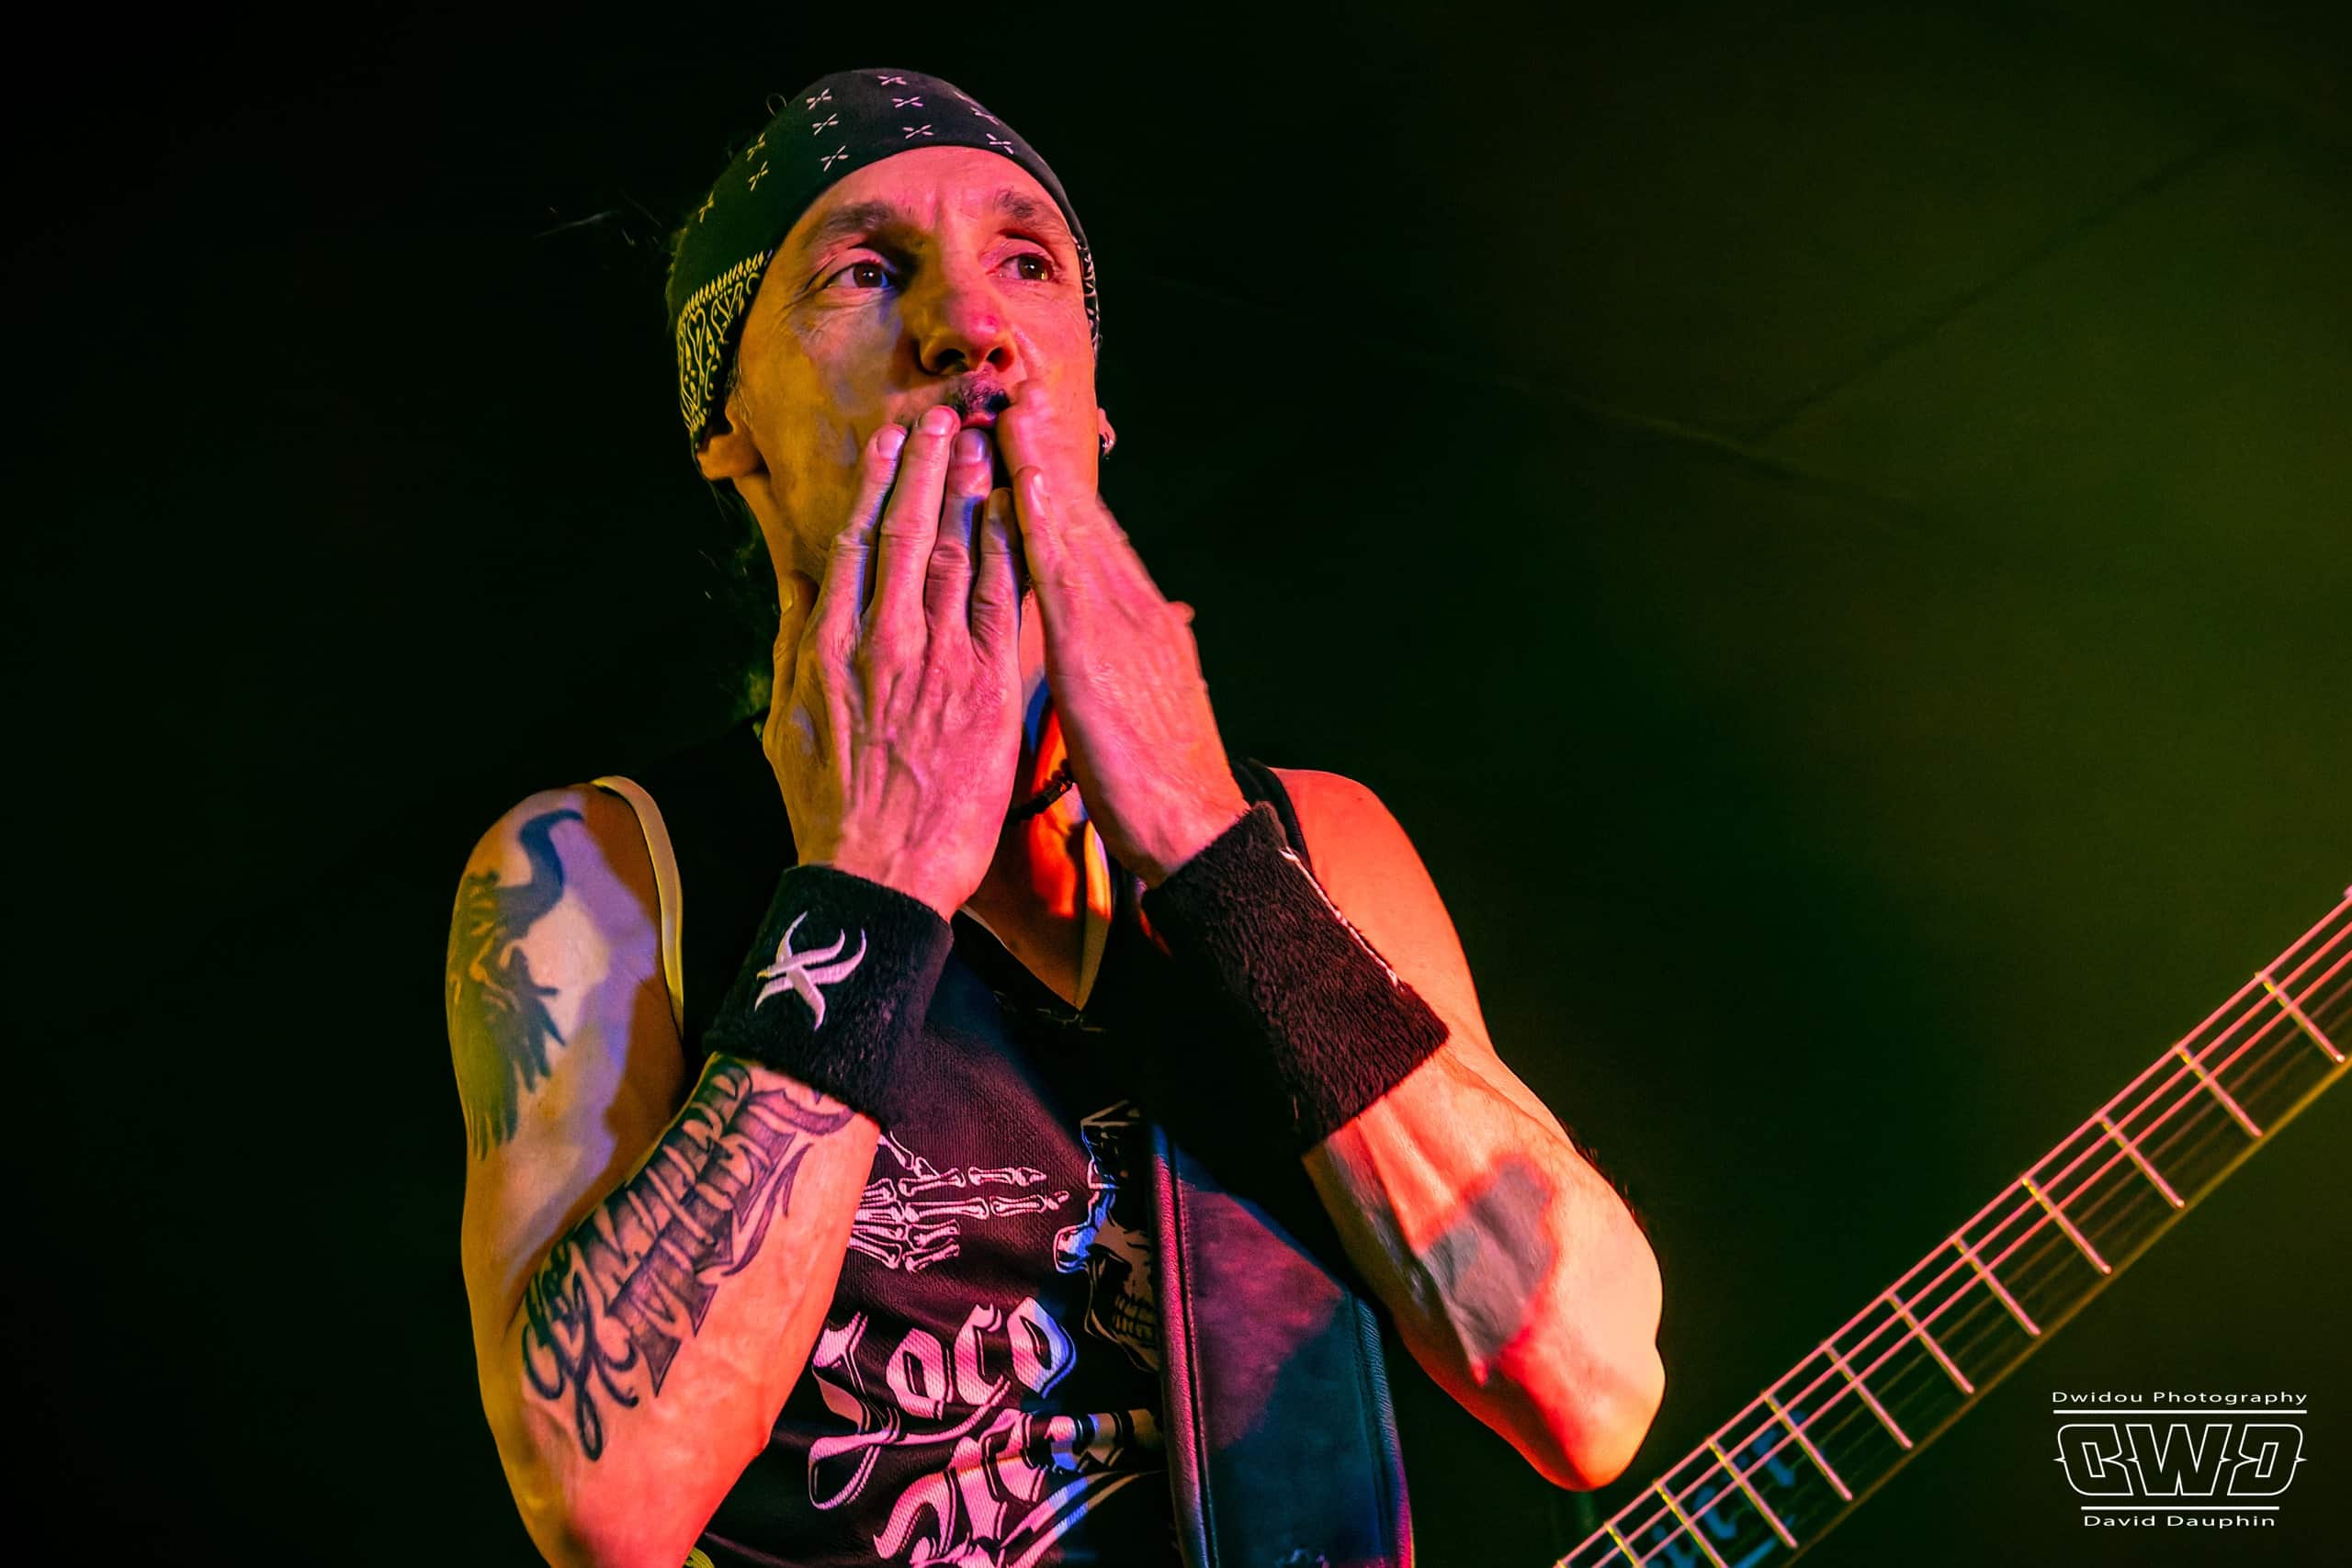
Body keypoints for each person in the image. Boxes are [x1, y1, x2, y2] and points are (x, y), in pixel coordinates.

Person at [446, 67, 1664, 1568]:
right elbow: (606, 1502)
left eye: (1026, 263)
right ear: (728, 428)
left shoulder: (1319, 839)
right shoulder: (601, 874)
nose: (972, 327)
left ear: (1093, 403)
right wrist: (875, 879)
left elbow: (1588, 1390)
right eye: (864, 272)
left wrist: (1215, 854)